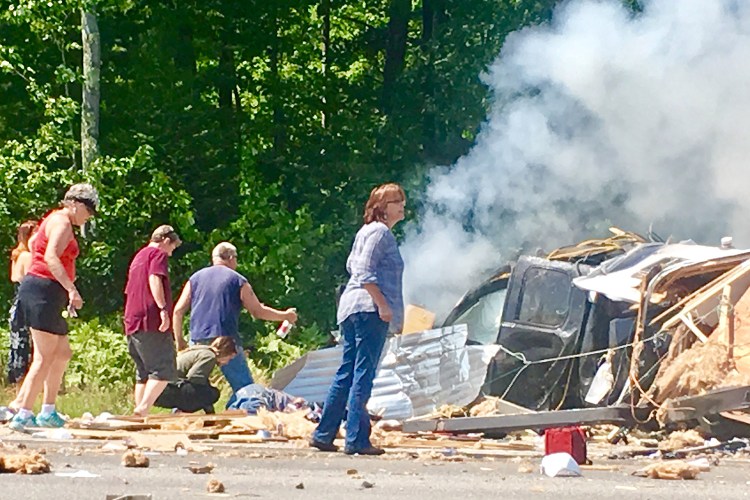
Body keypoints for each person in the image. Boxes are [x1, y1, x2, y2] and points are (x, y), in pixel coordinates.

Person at [310, 182, 406, 456]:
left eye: (402, 200)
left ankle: (324, 433)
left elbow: (351, 266)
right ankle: (356, 439)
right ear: (382, 208)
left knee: (347, 372)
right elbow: (363, 271)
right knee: (363, 374)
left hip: (351, 309)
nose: (402, 206)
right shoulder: (380, 234)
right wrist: (383, 305)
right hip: (368, 310)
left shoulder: (365, 232)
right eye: (396, 201)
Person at [9, 183, 99, 431]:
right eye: (88, 210)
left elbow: (39, 244)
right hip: (43, 290)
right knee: (44, 355)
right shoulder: (61, 222)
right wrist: (71, 289)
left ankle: (48, 410)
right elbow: (50, 257)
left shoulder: (52, 220)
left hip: (48, 291)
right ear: (75, 203)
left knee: (62, 353)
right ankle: (24, 412)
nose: (88, 216)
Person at [172, 241, 297, 404]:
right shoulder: (237, 280)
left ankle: (179, 416)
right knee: (245, 388)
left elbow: (178, 311)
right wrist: (285, 316)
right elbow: (257, 311)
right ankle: (241, 415)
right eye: (236, 258)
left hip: (197, 339)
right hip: (225, 342)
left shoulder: (195, 279)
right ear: (230, 258)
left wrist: (180, 341)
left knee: (191, 385)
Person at [123, 225, 181, 416]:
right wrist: (163, 309)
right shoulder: (158, 255)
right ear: (165, 241)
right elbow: (154, 278)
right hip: (150, 319)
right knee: (163, 369)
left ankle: (139, 415)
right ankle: (143, 409)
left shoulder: (138, 256)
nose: (171, 253)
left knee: (143, 372)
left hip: (132, 319)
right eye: (172, 247)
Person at [154, 336, 237, 414]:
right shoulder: (209, 356)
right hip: (167, 389)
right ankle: (181, 412)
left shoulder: (201, 350)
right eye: (229, 358)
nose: (227, 362)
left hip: (162, 387)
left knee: (205, 391)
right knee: (212, 394)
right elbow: (194, 379)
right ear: (225, 352)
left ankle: (180, 410)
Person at [7, 220, 38, 386]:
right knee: (27, 348)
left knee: (18, 346)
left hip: (16, 305)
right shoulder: (27, 256)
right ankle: (25, 388)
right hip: (25, 307)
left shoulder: (16, 255)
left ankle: (19, 386)